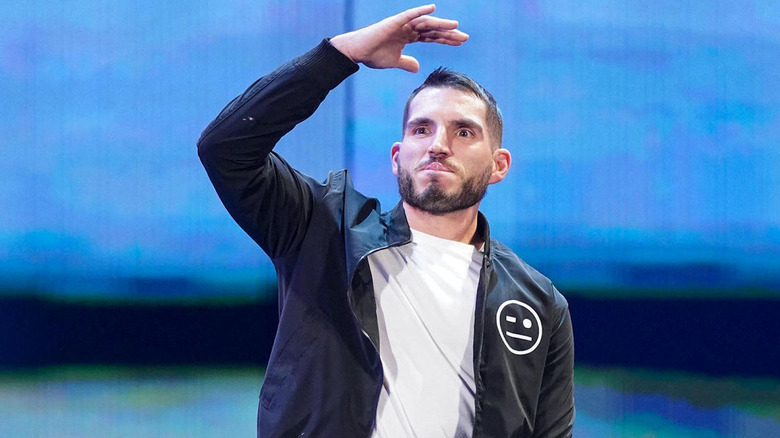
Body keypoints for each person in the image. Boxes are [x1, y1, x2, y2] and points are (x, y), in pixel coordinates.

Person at [197, 4, 574, 437]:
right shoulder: (322, 230)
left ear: (498, 165)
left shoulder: (539, 304)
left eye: (464, 132)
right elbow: (225, 148)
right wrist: (340, 54)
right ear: (398, 159)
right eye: (421, 129)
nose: (439, 145)